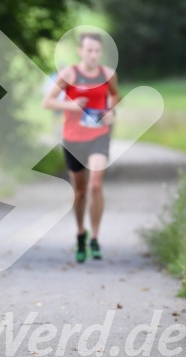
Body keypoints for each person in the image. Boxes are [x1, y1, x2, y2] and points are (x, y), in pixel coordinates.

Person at [43, 32, 118, 263]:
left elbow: (114, 96)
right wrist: (73, 106)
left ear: (100, 52)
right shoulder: (70, 74)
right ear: (80, 51)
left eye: (97, 51)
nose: (93, 55)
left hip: (99, 136)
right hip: (73, 138)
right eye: (89, 50)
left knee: (96, 185)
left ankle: (95, 237)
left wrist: (110, 112)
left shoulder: (107, 74)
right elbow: (48, 101)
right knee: (80, 191)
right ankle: (80, 233)